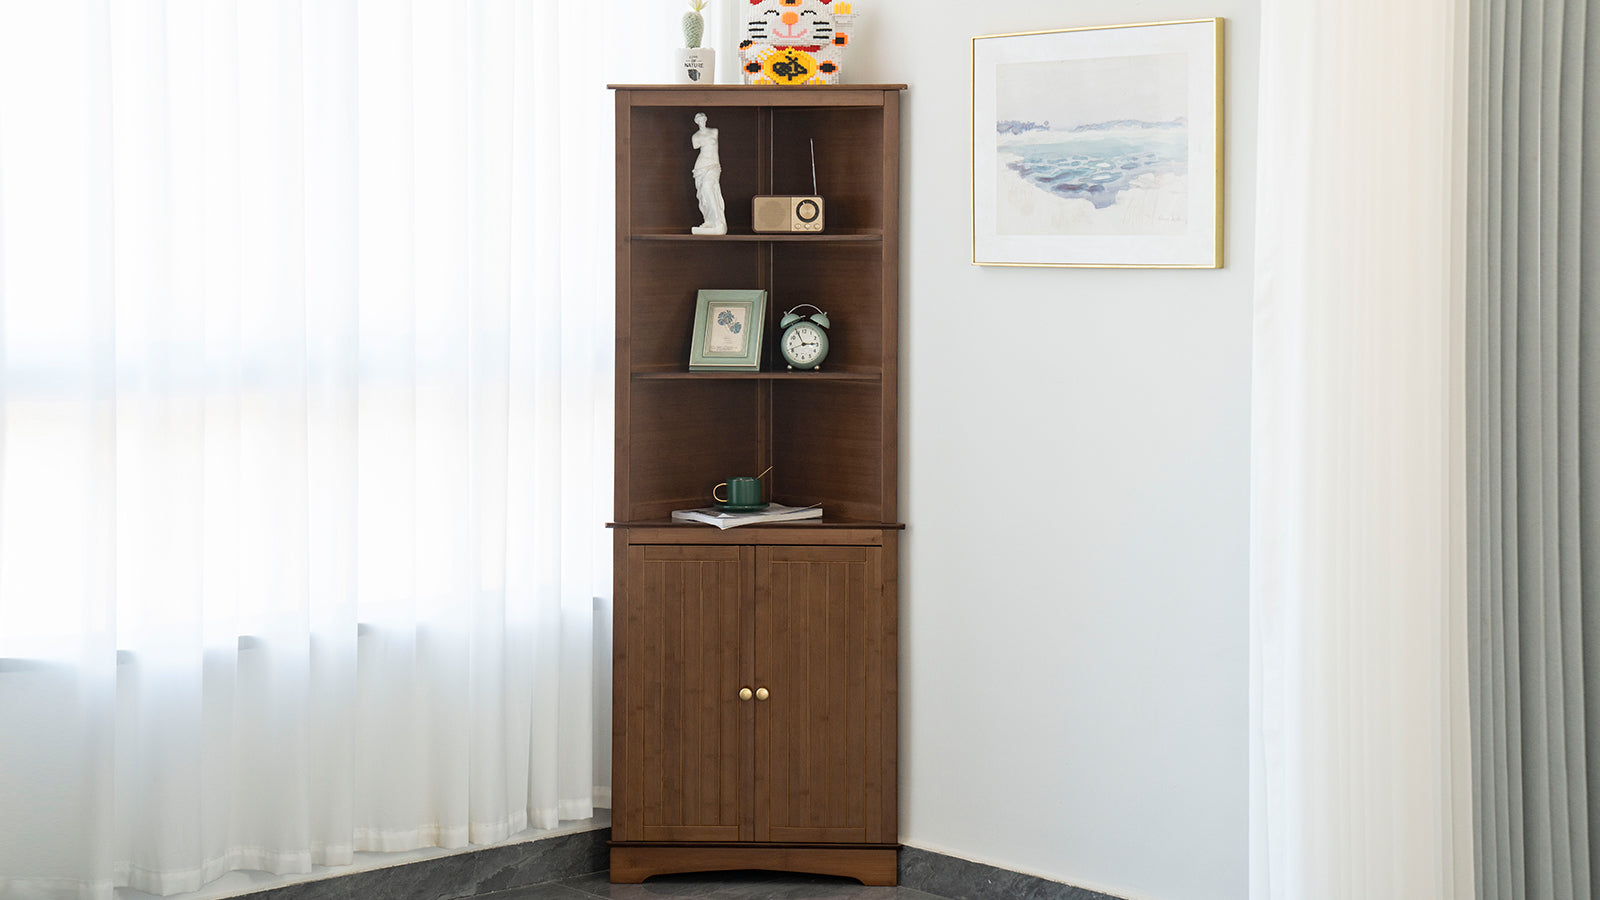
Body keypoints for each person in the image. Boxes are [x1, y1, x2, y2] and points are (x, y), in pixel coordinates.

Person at [690, 112, 727, 235]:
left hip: (713, 165)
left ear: (705, 119)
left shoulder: (714, 131)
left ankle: (717, 221)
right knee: (703, 194)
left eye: (702, 119)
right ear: (696, 122)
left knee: (708, 188)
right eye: (698, 120)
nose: (701, 121)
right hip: (700, 166)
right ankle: (709, 221)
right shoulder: (695, 137)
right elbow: (696, 147)